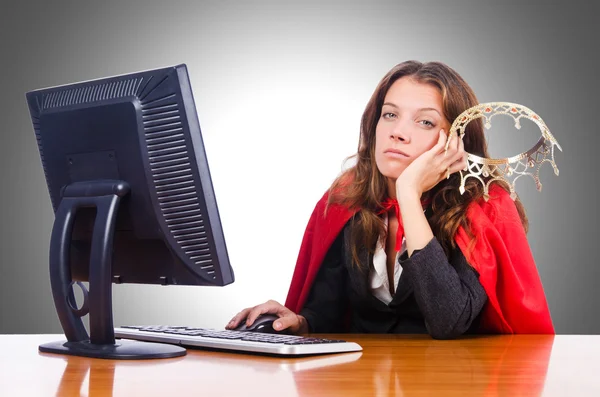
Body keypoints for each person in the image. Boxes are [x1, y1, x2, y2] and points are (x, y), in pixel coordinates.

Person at [226, 60, 554, 339]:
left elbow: (449, 322)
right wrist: (299, 322)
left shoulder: (483, 209)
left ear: (455, 142)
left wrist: (408, 194)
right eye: (390, 115)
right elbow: (331, 310)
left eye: (425, 121)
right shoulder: (347, 198)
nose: (398, 132)